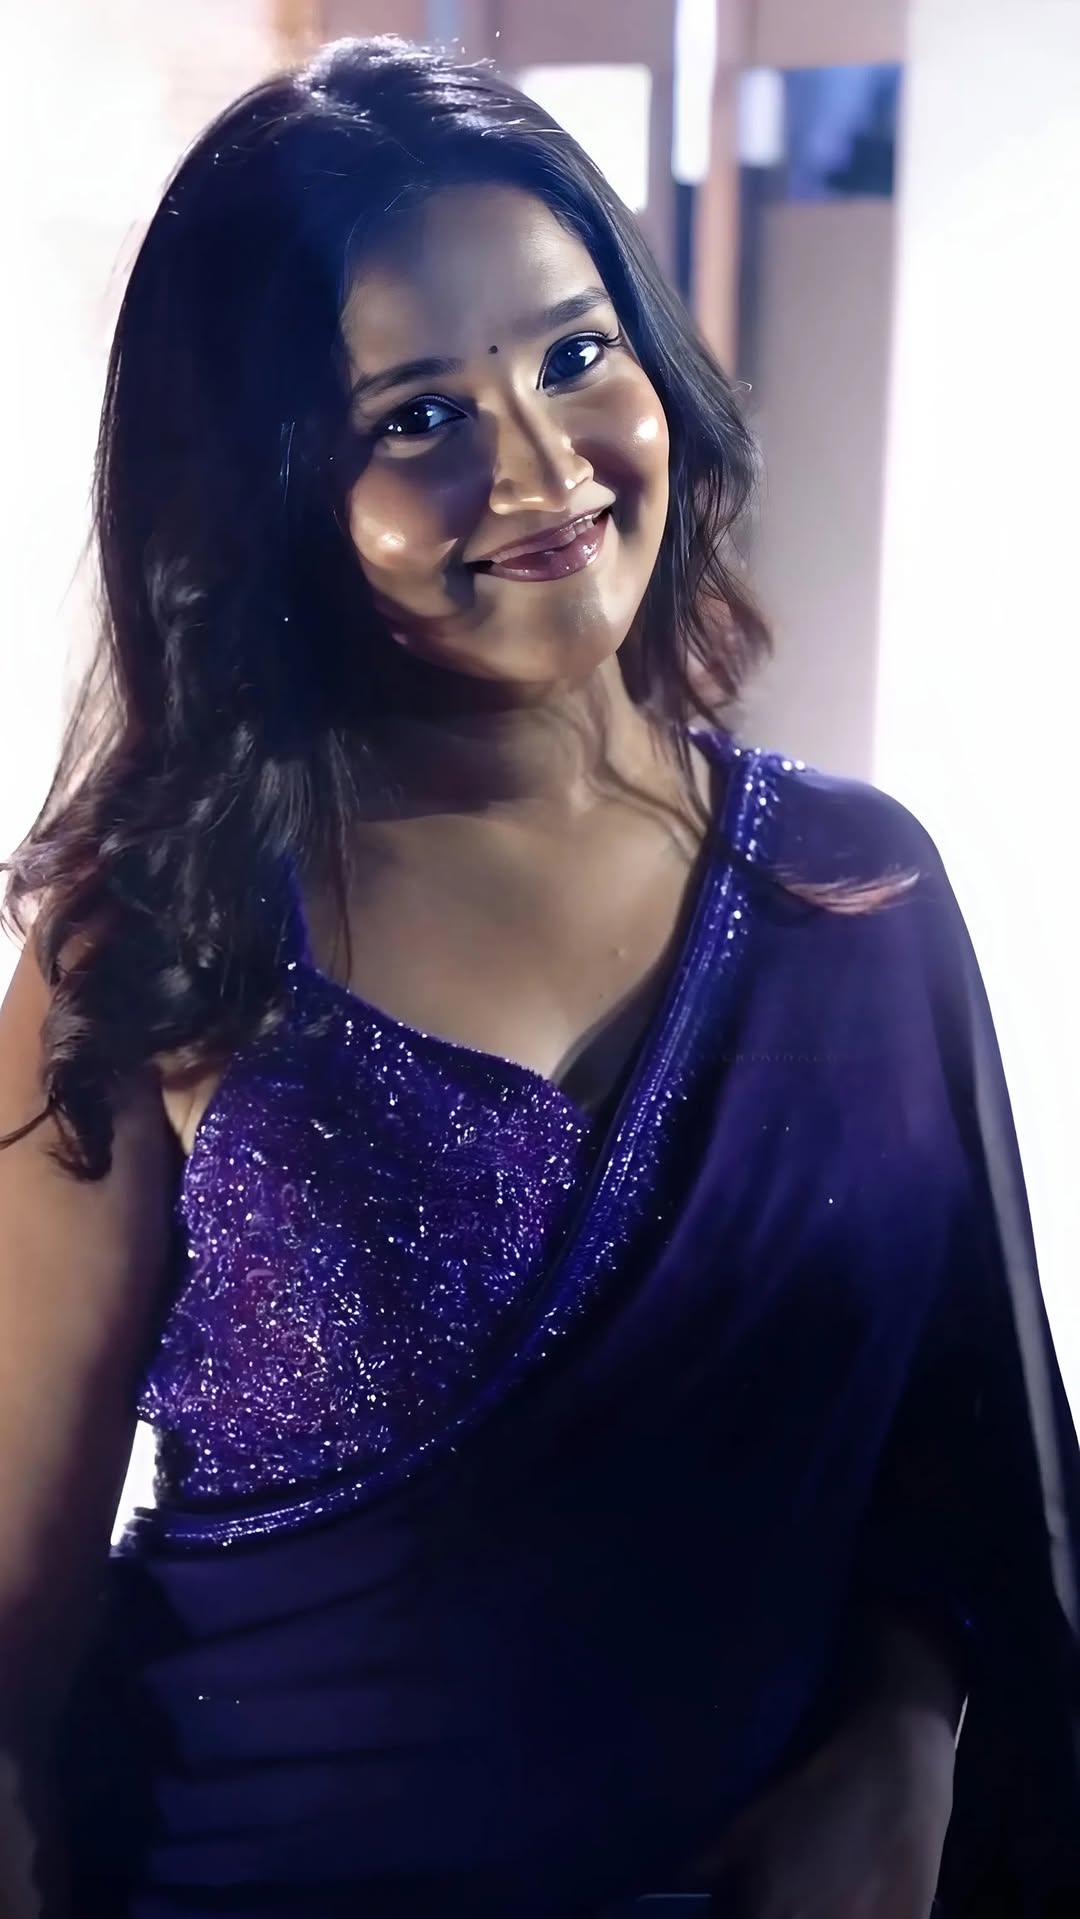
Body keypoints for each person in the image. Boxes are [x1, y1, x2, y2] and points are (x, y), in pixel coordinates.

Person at [0, 33, 1077, 1919]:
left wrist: (907, 1731)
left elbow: (980, 1481)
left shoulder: (860, 897)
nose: (541, 464)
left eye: (578, 356)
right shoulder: (163, 939)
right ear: (264, 489)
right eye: (418, 414)